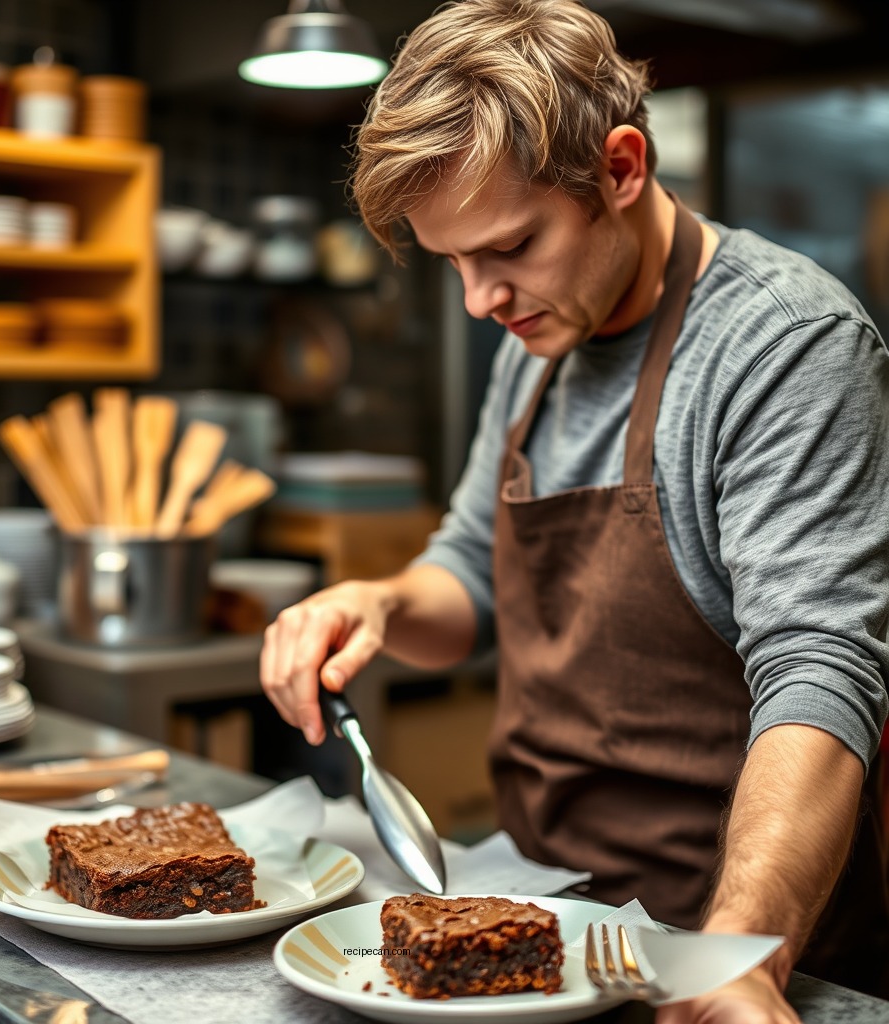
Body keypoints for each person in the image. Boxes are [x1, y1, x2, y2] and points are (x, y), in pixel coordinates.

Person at [259, 0, 889, 1017]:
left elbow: (819, 671)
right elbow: (468, 572)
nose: (480, 301)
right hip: (541, 913)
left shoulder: (785, 347)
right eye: (452, 262)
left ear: (622, 169)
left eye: (508, 247)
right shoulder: (537, 344)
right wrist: (375, 604)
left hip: (720, 940)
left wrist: (741, 947)